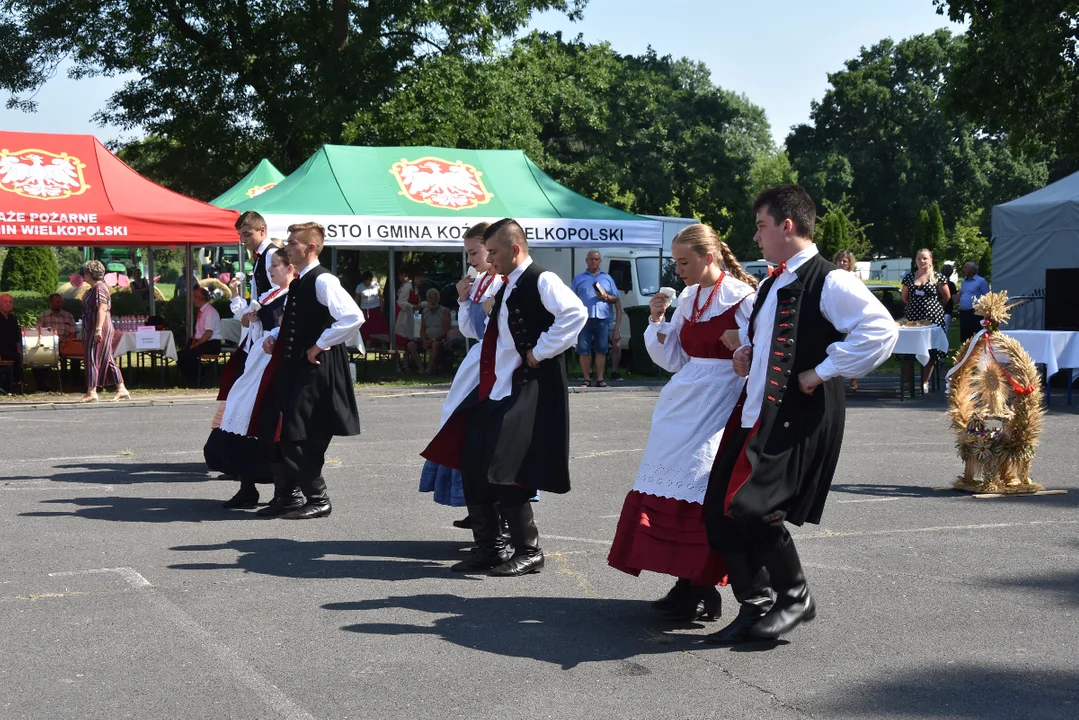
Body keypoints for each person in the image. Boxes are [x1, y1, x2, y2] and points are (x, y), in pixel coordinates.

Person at [703, 185, 896, 646]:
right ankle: (755, 605)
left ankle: (795, 595)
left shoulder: (830, 280)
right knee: (718, 510)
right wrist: (747, 353)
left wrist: (823, 371)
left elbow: (881, 330)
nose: (756, 236)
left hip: (796, 413)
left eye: (761, 226)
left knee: (754, 507)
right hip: (757, 410)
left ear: (787, 226)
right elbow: (770, 341)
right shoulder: (772, 282)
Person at [607, 224, 757, 622]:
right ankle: (686, 582)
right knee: (669, 490)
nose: (679, 271)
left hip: (720, 403)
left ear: (709, 257)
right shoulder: (690, 297)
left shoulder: (742, 297)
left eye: (684, 262)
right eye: (676, 263)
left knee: (701, 490)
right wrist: (657, 321)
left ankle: (701, 585)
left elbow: (763, 348)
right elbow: (674, 358)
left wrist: (742, 342)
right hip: (683, 401)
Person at [421, 218, 587, 576]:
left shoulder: (541, 279)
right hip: (495, 385)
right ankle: (490, 547)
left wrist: (539, 352)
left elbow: (575, 313)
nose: (489, 260)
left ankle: (529, 550)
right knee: (472, 459)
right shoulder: (507, 284)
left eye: (493, 252)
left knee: (505, 466)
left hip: (526, 387)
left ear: (514, 249)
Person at [259, 222, 362, 520]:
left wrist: (319, 344)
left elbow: (352, 317)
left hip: (316, 369)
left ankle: (318, 498)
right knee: (278, 427)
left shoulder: (323, 280)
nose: (287, 247)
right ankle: (289, 495)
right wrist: (276, 339)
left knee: (300, 433)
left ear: (310, 247)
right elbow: (299, 321)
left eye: (293, 243)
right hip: (296, 366)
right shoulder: (301, 280)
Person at [418, 222, 501, 516]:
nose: (471, 260)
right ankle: (476, 506)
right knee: (459, 421)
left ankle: (494, 510)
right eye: (469, 254)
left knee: (484, 430)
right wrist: (464, 300)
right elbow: (470, 331)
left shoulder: (504, 282)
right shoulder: (481, 283)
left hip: (497, 361)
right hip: (479, 358)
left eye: (475, 252)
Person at [204, 248, 293, 509]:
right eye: (270, 265)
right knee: (240, 421)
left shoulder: (292, 295)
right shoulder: (269, 295)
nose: (270, 270)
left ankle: (282, 491)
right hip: (256, 361)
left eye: (276, 265)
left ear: (289, 268)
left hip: (271, 366)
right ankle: (247, 486)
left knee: (267, 427)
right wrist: (248, 315)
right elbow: (250, 326)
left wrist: (271, 333)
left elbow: (286, 328)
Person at [901, 248, 950, 393]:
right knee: (908, 350)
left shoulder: (938, 277)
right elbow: (904, 297)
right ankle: (907, 382)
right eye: (919, 259)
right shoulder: (909, 278)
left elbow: (946, 297)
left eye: (925, 258)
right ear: (915, 261)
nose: (922, 261)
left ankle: (925, 382)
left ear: (930, 260)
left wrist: (935, 308)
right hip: (912, 319)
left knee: (929, 350)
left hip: (932, 319)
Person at [80, 260, 130, 403]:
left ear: (90, 274)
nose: (84, 275)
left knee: (92, 356)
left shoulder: (100, 288)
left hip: (99, 325)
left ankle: (92, 391)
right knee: (106, 357)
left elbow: (102, 307)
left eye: (85, 272)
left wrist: (97, 329)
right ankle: (121, 388)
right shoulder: (96, 288)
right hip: (96, 325)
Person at [571, 250, 620, 387]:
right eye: (591, 259)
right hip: (584, 319)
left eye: (597, 259)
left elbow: (616, 299)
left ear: (600, 261)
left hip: (602, 318)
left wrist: (606, 297)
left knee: (601, 349)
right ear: (586, 261)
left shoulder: (607, 278)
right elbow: (570, 298)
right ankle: (586, 379)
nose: (594, 261)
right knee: (583, 349)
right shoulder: (579, 279)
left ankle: (600, 379)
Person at [177, 288, 223, 385]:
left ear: (199, 298)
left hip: (211, 343)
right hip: (204, 341)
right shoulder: (203, 311)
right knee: (181, 355)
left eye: (194, 297)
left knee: (190, 354)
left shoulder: (209, 312)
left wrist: (196, 344)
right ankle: (193, 376)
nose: (193, 300)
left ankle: (197, 377)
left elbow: (208, 333)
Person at [34, 293, 78, 390]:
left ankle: (75, 381)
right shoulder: (43, 316)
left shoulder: (68, 316)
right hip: (48, 345)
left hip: (66, 344)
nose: (60, 304)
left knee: (77, 352)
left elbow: (73, 332)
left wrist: (66, 342)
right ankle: (42, 384)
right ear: (50, 303)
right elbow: (39, 332)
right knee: (38, 357)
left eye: (61, 302)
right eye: (57, 302)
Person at [833, 251, 861, 392]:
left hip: (851, 316)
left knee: (852, 348)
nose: (842, 263)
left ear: (850, 263)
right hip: (835, 316)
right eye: (840, 261)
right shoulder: (832, 275)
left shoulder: (854, 276)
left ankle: (853, 380)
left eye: (845, 261)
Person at [409, 288, 450, 375]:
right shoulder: (425, 311)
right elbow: (422, 328)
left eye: (435, 298)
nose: (433, 300)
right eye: (431, 298)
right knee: (410, 345)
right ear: (427, 299)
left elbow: (446, 329)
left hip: (439, 339)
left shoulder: (445, 311)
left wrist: (434, 339)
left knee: (435, 344)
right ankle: (421, 368)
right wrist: (424, 339)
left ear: (438, 299)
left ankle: (429, 368)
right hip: (427, 338)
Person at [395, 267, 425, 372]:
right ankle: (398, 364)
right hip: (404, 317)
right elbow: (401, 302)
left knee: (409, 341)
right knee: (401, 342)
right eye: (420, 280)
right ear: (416, 278)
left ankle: (406, 364)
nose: (421, 283)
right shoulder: (407, 287)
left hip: (412, 318)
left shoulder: (415, 288)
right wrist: (412, 306)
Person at [958, 262, 990, 343]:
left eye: (966, 268)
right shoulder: (964, 282)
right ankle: (966, 353)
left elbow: (987, 296)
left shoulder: (981, 281)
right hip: (963, 312)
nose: (963, 270)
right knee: (965, 337)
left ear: (972, 270)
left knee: (976, 336)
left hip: (975, 313)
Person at [355, 270, 389, 346]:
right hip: (364, 309)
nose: (368, 282)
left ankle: (377, 343)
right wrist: (356, 309)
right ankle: (366, 343)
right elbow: (357, 299)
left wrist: (382, 307)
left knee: (376, 326)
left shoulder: (376, 285)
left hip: (375, 308)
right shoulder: (359, 287)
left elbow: (381, 297)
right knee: (365, 326)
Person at [0, 293, 21, 394]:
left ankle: (15, 383)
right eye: (5, 302)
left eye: (10, 302)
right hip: (1, 350)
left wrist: (20, 351)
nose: (8, 304)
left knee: (24, 357)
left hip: (11, 350)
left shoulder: (13, 320)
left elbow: (17, 339)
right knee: (16, 358)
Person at [940, 264, 958, 333]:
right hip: (947, 310)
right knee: (944, 332)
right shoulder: (951, 284)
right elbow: (955, 300)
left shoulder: (936, 283)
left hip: (935, 310)